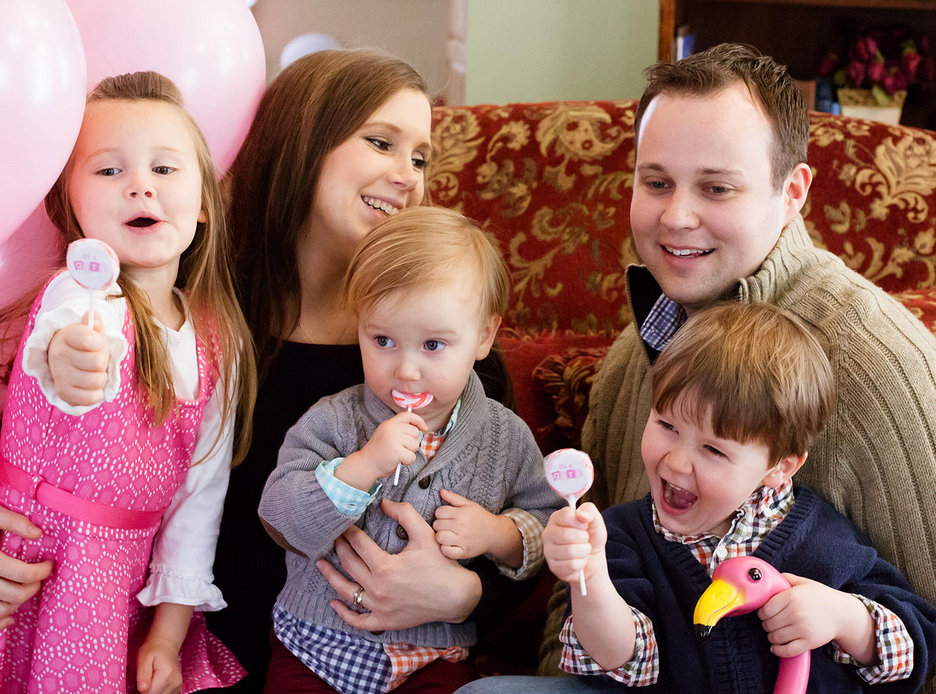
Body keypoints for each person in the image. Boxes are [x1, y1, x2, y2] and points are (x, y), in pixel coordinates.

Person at [538, 44, 936, 689]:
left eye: (717, 187)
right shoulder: (630, 359)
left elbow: (922, 635)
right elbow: (582, 588)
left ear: (792, 193)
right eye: (656, 181)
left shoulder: (880, 367)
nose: (676, 216)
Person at [205, 49, 520, 693]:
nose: (408, 176)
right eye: (382, 143)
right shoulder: (203, 317)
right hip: (205, 660)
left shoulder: (446, 358)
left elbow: (525, 531)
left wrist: (464, 596)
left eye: (421, 158)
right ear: (301, 147)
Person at [458, 302, 936, 693]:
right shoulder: (625, 534)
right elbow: (621, 659)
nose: (675, 462)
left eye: (712, 449)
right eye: (666, 425)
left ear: (779, 466)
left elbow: (915, 645)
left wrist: (845, 617)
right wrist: (590, 576)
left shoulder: (824, 537)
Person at [0, 71, 256, 692]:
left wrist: (167, 635)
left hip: (120, 588)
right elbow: (65, 344)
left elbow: (199, 500)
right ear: (69, 202)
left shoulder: (220, 341)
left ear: (203, 201)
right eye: (109, 171)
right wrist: (71, 361)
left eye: (165, 169)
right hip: (36, 565)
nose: (140, 184)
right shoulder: (79, 295)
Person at [258, 205, 560, 693]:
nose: (406, 371)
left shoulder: (505, 437)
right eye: (383, 340)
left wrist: (497, 532)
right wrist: (361, 467)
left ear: (484, 335)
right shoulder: (333, 419)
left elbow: (546, 522)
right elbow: (279, 516)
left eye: (434, 346)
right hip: (314, 643)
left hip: (432, 655)